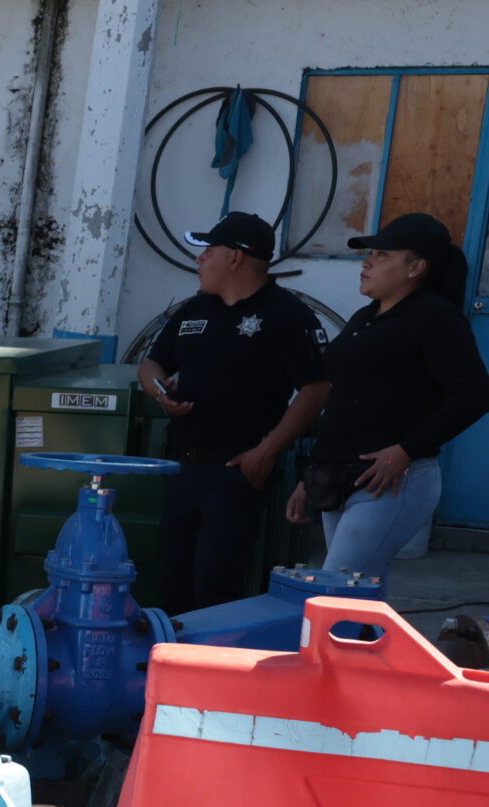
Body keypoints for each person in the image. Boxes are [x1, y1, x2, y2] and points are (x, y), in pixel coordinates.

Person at [137, 213, 329, 612]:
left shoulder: (286, 316)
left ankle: (212, 666)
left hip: (236, 470)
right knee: (171, 581)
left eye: (208, 251)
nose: (200, 259)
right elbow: (152, 364)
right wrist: (160, 393)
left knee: (216, 585)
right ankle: (172, 666)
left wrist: (268, 451)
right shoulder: (193, 310)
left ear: (236, 258)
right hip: (180, 467)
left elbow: (316, 388)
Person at [286, 212, 489, 579]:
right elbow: (342, 401)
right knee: (359, 599)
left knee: (336, 591)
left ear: (416, 268)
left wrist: (407, 450)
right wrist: (309, 477)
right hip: (337, 477)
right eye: (371, 255)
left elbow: (475, 394)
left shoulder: (436, 318)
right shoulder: (367, 317)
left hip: (390, 481)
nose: (367, 263)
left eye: (382, 255)